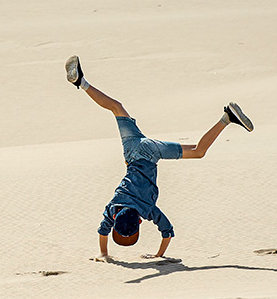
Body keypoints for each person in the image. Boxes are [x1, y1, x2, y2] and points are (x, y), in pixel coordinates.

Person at [64, 55, 253, 261]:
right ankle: (81, 81)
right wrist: (103, 252)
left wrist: (158, 255)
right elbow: (102, 231)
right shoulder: (112, 207)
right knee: (117, 107)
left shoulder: (148, 210)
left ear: (139, 223)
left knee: (199, 151)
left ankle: (227, 118)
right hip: (131, 149)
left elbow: (167, 232)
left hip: (149, 152)